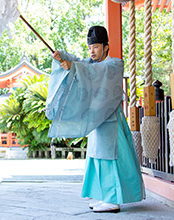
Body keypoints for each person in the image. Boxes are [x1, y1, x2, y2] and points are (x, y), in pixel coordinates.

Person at [47, 25, 145, 213]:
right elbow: (79, 63)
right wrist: (63, 57)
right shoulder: (91, 64)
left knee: (109, 158)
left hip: (110, 120)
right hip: (97, 121)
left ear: (106, 47)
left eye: (96, 47)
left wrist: (74, 67)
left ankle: (113, 199)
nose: (92, 51)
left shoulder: (115, 64)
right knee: (95, 157)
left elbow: (91, 72)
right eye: (90, 47)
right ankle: (101, 196)